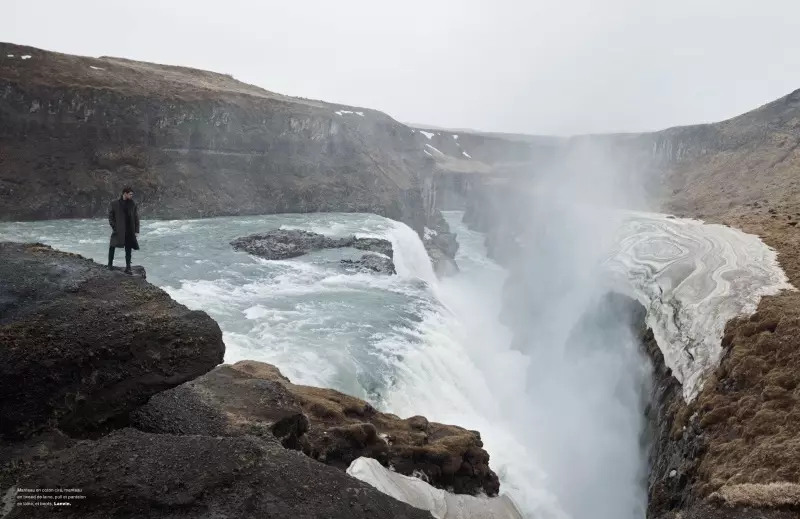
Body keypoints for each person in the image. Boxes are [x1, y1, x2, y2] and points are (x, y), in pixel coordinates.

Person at [107, 186, 140, 274]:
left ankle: (128, 267)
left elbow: (136, 218)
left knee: (128, 249)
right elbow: (111, 217)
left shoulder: (133, 204)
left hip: (129, 230)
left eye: (132, 194)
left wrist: (137, 230)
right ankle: (109, 265)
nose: (131, 196)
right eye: (130, 194)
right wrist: (114, 227)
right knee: (112, 246)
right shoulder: (114, 203)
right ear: (124, 193)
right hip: (118, 229)